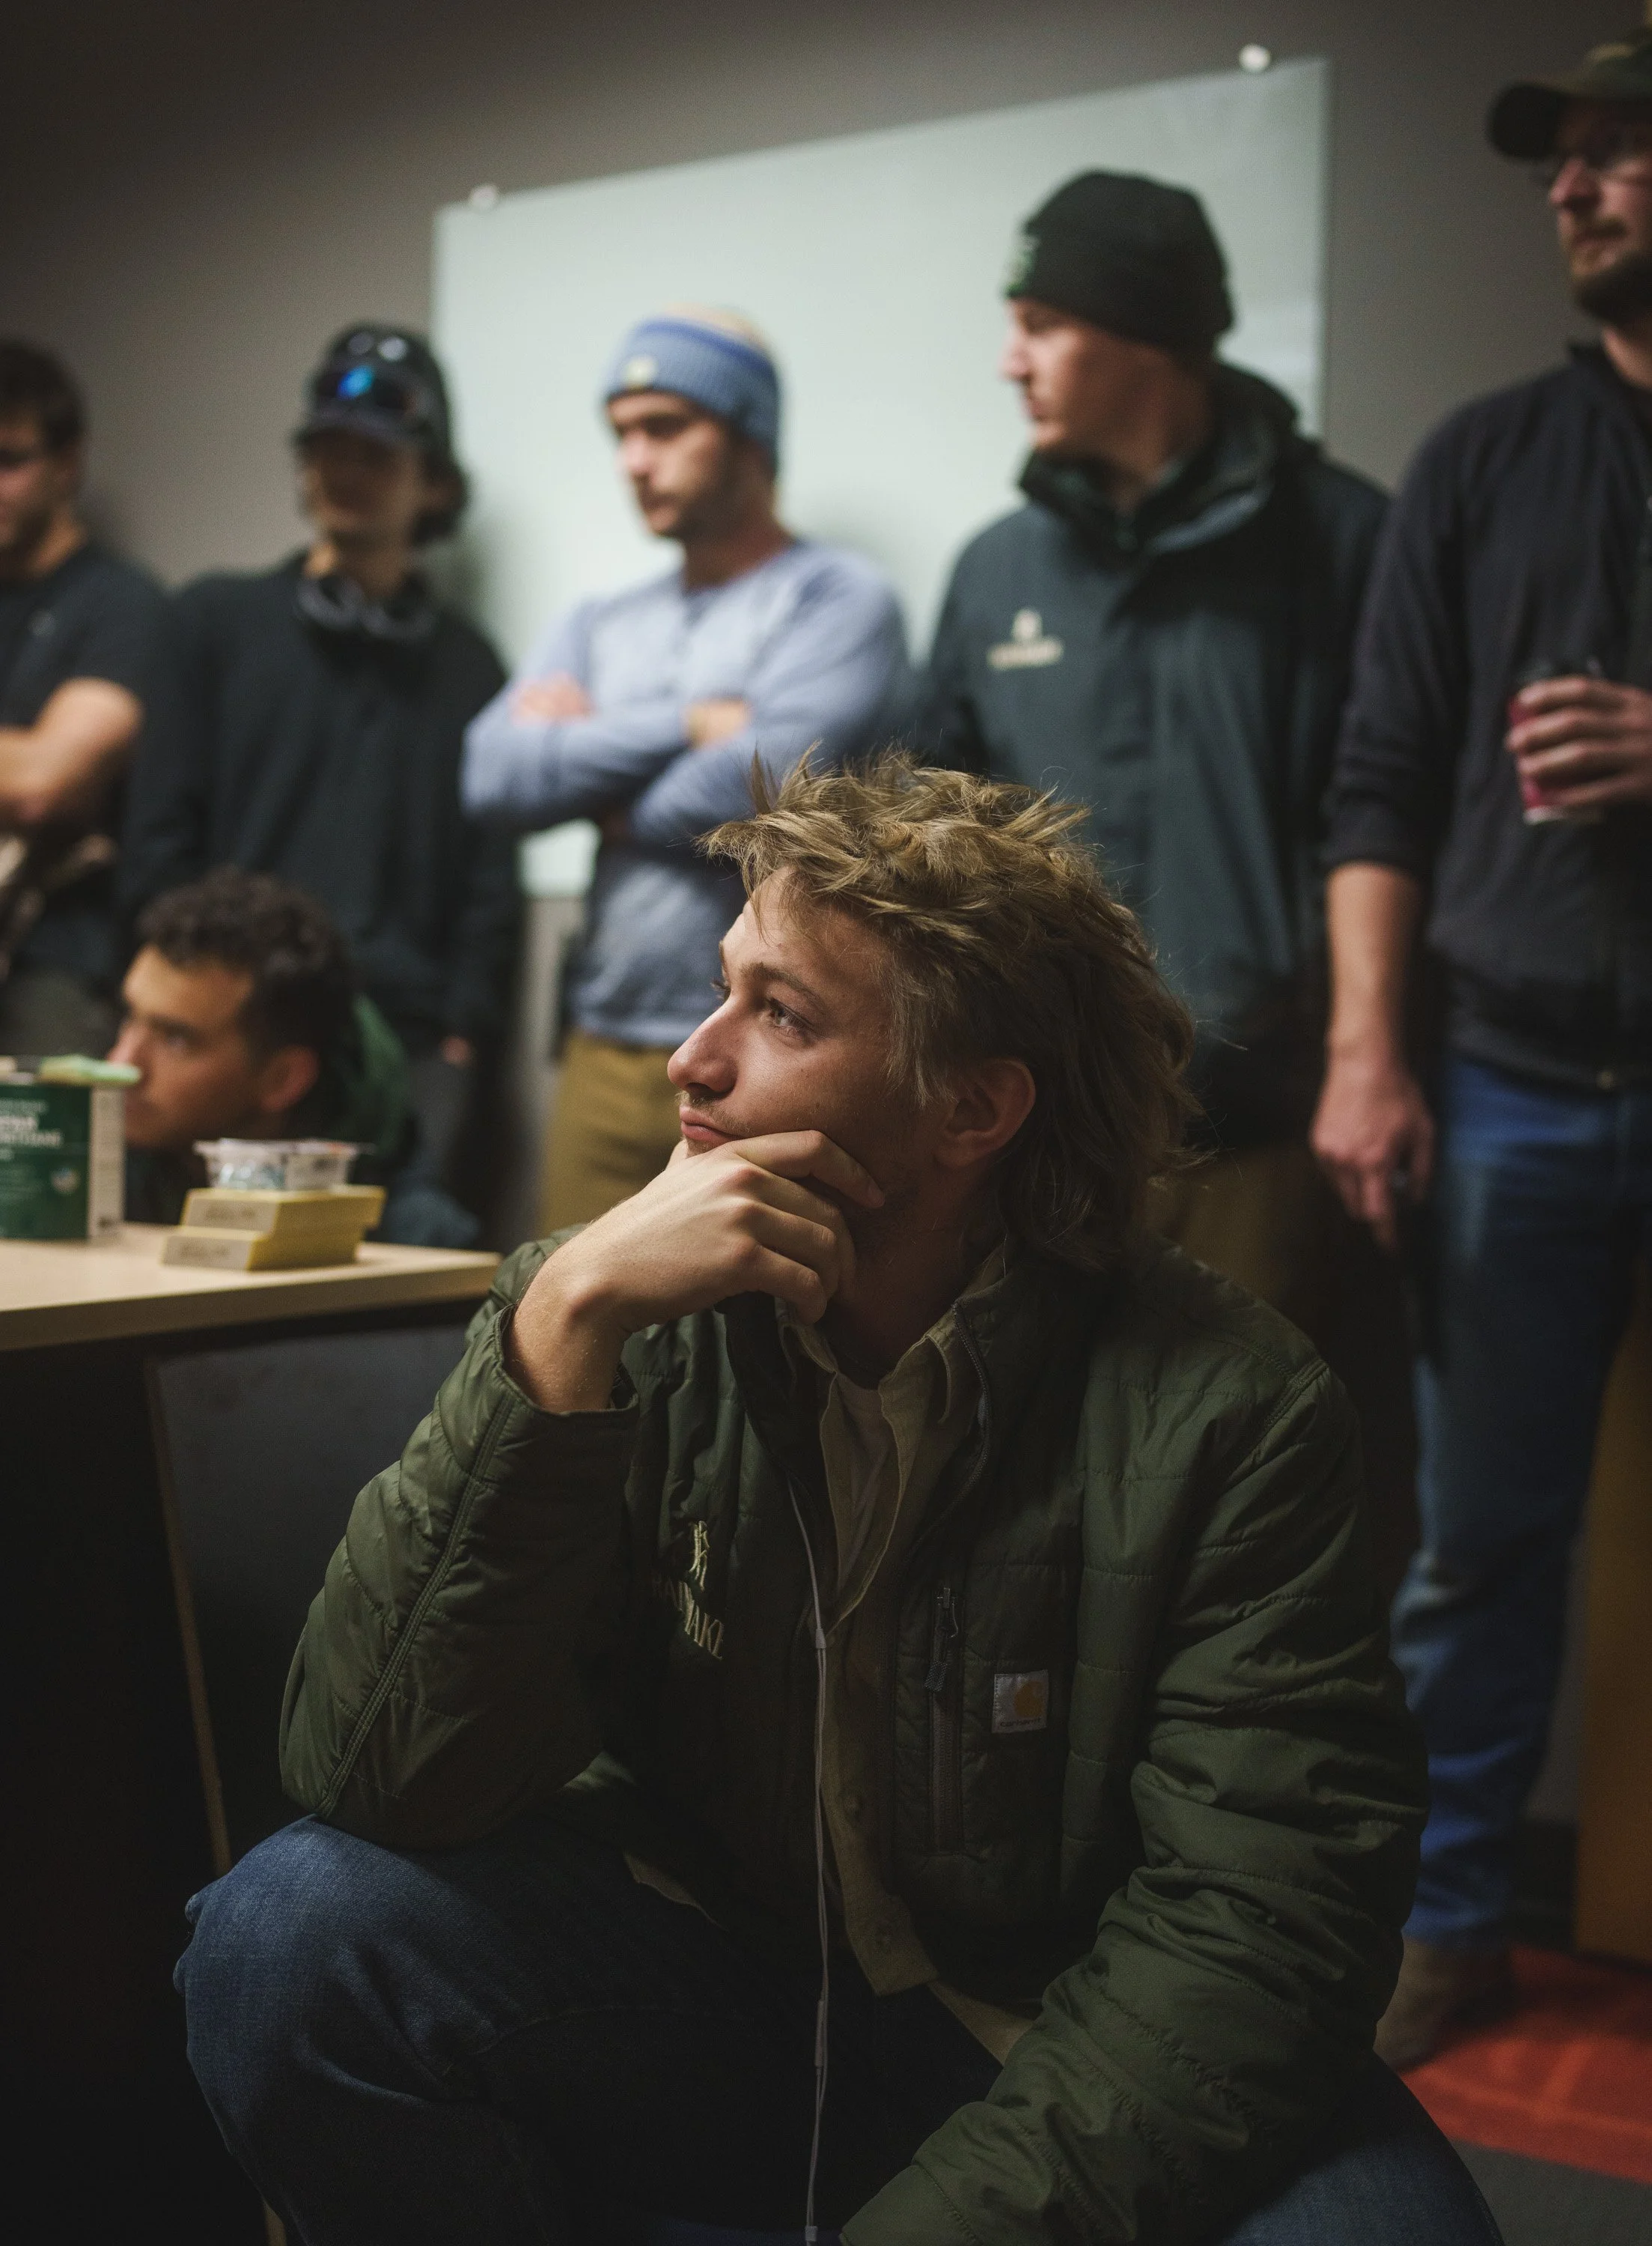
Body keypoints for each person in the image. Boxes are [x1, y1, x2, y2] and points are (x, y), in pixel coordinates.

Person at [176, 758, 1500, 2246]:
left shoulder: (1228, 1408)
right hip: (724, 1976)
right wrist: (558, 1332)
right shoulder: (618, 1314)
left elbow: (1255, 1935)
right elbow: (374, 1774)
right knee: (287, 1936)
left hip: (1054, 2027)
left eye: (780, 1014)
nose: (692, 1056)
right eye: (718, 986)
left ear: (969, 1110)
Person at [1312, 28, 1652, 2069]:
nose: (1569, 182)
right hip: (1510, 1082)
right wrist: (1368, 1049)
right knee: (1472, 1548)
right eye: (1563, 155)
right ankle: (1439, 1921)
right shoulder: (1472, 461)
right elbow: (1375, 785)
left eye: (1622, 151)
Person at [921, 173, 1386, 1339]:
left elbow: (1385, 813)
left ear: (1144, 341)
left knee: (1234, 1472)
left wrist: (1360, 1058)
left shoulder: (1339, 538)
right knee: (1035, 1478)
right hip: (1037, 1130)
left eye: (1039, 327)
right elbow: (933, 838)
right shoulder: (995, 572)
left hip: (1261, 1127)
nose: (1007, 362)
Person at [463, 305, 905, 1230]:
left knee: (754, 1332)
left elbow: (769, 776)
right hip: (600, 1039)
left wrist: (599, 776)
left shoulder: (834, 596)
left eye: (665, 427)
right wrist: (690, 720)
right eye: (622, 435)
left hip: (773, 1045)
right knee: (571, 1311)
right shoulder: (598, 620)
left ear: (749, 434)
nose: (634, 460)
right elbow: (494, 776)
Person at [121, 323, 519, 1221]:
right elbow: (156, 839)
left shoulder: (471, 669)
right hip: (238, 1041)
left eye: (377, 454)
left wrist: (462, 1035)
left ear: (434, 483)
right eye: (326, 449)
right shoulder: (211, 624)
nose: (345, 471)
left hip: (411, 1051)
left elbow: (489, 881)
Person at [115, 865, 475, 1247]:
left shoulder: (408, 1246)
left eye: (176, 1040)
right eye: (129, 1018)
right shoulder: (96, 1169)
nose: (123, 1064)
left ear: (282, 1079)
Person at [0, 340, 164, 1057]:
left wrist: (29, 764)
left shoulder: (120, 603)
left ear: (68, 463)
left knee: (41, 1160)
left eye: (9, 460)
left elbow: (46, 783)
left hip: (51, 960)